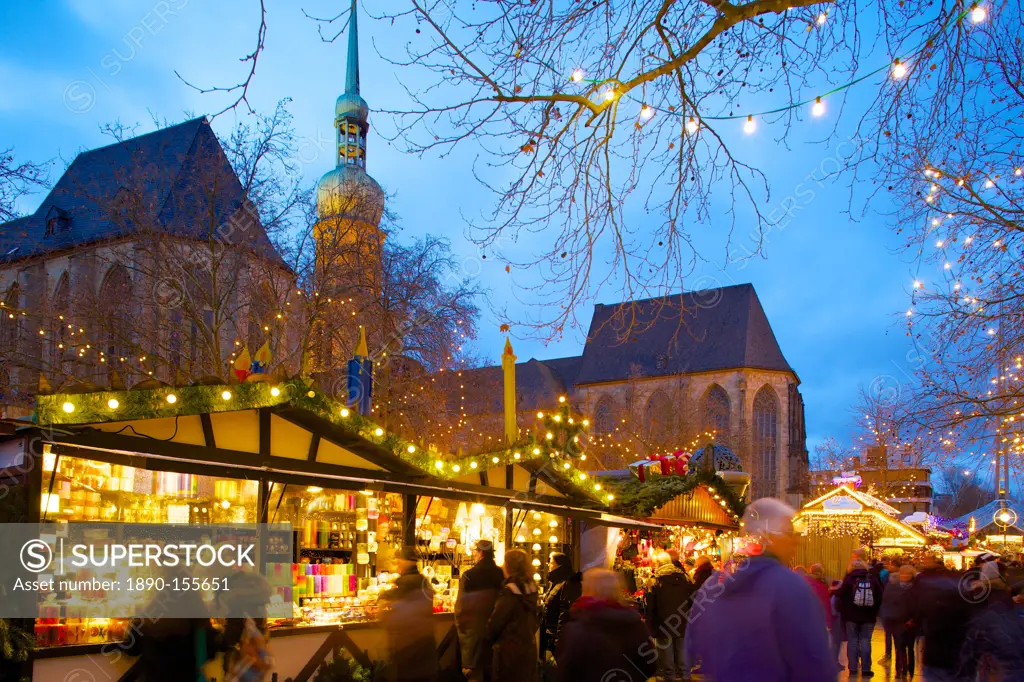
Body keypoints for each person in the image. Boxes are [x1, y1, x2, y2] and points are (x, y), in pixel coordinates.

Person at [684, 498, 836, 682]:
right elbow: (814, 663)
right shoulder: (789, 586)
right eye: (789, 532)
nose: (796, 541)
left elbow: (693, 645)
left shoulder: (713, 588)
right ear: (770, 537)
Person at [556, 569, 655, 682]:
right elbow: (650, 664)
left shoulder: (576, 629)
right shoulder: (635, 624)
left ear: (587, 590)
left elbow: (565, 672)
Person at [909, 553, 972, 682]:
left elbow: (917, 600)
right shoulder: (964, 609)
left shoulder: (924, 583)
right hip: (955, 660)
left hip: (935, 660)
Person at [380, 547, 438, 682]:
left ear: (406, 562)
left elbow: (396, 616)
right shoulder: (423, 582)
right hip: (426, 648)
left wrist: (384, 611)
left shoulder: (404, 583)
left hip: (407, 650)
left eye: (399, 560)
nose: (397, 564)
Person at [483, 549, 539, 682]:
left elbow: (498, 620)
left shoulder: (510, 590)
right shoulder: (531, 587)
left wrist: (487, 637)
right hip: (528, 645)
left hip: (509, 648)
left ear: (508, 566)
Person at [455, 539, 505, 682]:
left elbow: (460, 608)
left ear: (481, 553)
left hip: (473, 632)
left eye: (475, 551)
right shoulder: (500, 574)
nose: (474, 554)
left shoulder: (469, 575)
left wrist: (460, 627)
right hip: (495, 631)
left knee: (474, 674)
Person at [646, 552, 695, 682]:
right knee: (681, 646)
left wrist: (650, 621)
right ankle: (685, 674)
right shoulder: (684, 577)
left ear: (658, 563)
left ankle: (670, 676)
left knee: (665, 648)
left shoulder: (655, 579)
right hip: (682, 619)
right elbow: (692, 598)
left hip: (663, 621)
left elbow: (650, 604)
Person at [836, 559, 883, 677]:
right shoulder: (872, 578)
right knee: (866, 640)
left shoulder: (848, 579)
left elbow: (840, 597)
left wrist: (844, 611)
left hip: (851, 616)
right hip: (868, 616)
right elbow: (880, 596)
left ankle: (852, 668)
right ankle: (866, 669)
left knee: (852, 641)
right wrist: (874, 610)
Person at [540, 552, 582, 657]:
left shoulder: (567, 583)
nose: (548, 564)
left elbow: (565, 612)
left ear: (559, 565)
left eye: (551, 562)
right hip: (551, 635)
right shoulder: (556, 583)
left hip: (558, 637)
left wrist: (559, 639)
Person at [879, 565, 916, 680]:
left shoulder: (916, 587)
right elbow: (886, 602)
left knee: (910, 647)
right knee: (899, 647)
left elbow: (919, 605)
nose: (905, 576)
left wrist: (913, 619)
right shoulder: (893, 586)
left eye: (908, 574)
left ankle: (910, 670)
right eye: (903, 573)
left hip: (911, 622)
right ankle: (900, 671)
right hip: (897, 621)